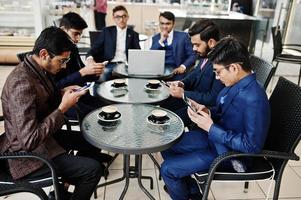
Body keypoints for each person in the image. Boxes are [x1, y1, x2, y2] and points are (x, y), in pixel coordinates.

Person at [160, 36, 271, 200]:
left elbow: (252, 146)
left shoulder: (255, 98)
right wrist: (206, 111)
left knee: (168, 169)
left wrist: (211, 128)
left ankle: (184, 190)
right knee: (167, 144)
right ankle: (191, 192)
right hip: (216, 140)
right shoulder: (236, 84)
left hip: (231, 155)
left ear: (233, 68)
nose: (217, 77)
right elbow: (222, 110)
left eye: (218, 72)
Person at [0, 27, 103, 200]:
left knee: (93, 139)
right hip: (26, 155)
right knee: (92, 170)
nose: (63, 67)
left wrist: (62, 92)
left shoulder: (37, 70)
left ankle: (63, 186)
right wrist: (62, 108)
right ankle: (68, 181)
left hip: (47, 139)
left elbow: (42, 99)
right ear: (44, 54)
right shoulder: (21, 83)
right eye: (62, 61)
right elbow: (29, 140)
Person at [161, 19, 224, 125]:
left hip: (203, 110)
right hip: (192, 100)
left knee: (167, 120)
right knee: (163, 104)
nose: (194, 49)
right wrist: (181, 83)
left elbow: (213, 99)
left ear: (211, 42)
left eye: (197, 45)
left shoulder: (221, 62)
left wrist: (183, 94)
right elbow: (196, 73)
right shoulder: (207, 54)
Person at [55, 12, 106, 119]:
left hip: (81, 95)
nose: (78, 39)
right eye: (75, 33)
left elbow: (83, 73)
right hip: (65, 101)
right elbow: (54, 86)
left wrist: (95, 71)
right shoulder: (54, 52)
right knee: (102, 115)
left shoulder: (73, 48)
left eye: (80, 34)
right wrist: (82, 72)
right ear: (63, 29)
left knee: (109, 106)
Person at [86, 5, 141, 81]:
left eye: (124, 16)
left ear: (128, 17)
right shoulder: (107, 31)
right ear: (113, 18)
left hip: (126, 66)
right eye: (118, 17)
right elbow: (94, 49)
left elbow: (138, 53)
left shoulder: (133, 34)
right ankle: (99, 93)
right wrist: (90, 58)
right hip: (109, 65)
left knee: (133, 81)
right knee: (101, 76)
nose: (121, 19)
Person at [150, 11, 196, 80]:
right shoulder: (155, 38)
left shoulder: (183, 37)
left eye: (168, 24)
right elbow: (150, 56)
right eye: (162, 23)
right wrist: (161, 41)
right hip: (159, 75)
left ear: (173, 24)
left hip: (178, 74)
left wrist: (183, 66)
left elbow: (193, 55)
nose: (164, 26)